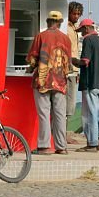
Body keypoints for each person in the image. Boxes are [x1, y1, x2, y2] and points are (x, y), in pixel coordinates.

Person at [27, 10, 71, 154]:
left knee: (44, 113)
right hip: (60, 82)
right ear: (59, 23)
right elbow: (68, 63)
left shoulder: (40, 36)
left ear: (47, 22)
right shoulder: (66, 39)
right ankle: (61, 147)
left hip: (43, 81)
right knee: (59, 115)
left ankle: (44, 146)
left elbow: (33, 59)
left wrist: (30, 68)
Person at [71, 18, 99, 152]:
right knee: (98, 112)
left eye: (81, 30)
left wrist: (73, 60)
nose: (81, 34)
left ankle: (91, 143)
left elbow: (85, 61)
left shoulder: (88, 40)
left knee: (89, 114)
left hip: (89, 82)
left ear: (86, 28)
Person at [65, 2, 83, 144]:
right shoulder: (67, 28)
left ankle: (64, 133)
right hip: (68, 69)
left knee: (70, 103)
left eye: (78, 14)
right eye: (74, 13)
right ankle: (63, 134)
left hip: (73, 70)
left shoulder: (74, 29)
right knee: (68, 103)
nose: (76, 16)